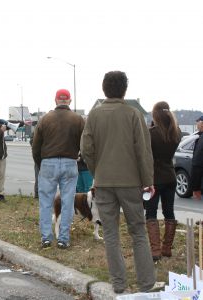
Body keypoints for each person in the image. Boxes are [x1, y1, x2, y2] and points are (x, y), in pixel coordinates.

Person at [80, 71, 157, 294]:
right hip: (131, 182)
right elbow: (143, 151)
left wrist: (98, 171)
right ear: (125, 90)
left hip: (104, 182)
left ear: (104, 88)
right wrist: (148, 180)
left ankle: (119, 284)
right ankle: (146, 283)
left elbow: (86, 149)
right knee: (138, 232)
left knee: (111, 233)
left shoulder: (94, 116)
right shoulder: (133, 114)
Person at [32, 89, 84, 249]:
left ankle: (46, 237)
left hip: (48, 162)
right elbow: (84, 142)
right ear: (69, 101)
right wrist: (79, 156)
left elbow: (36, 146)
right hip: (69, 162)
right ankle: (63, 238)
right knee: (68, 202)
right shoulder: (78, 119)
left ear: (55, 100)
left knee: (46, 202)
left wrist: (40, 163)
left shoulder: (45, 119)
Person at [144, 101, 181, 262]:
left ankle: (155, 251)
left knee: (151, 213)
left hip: (154, 178)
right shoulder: (176, 132)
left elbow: (146, 155)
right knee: (169, 212)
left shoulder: (150, 133)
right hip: (170, 177)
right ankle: (166, 249)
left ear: (155, 115)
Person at [192, 116, 203, 200]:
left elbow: (197, 160)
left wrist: (196, 188)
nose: (196, 126)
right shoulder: (199, 136)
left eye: (198, 123)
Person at [29, 130, 40, 198]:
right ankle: (37, 194)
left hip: (45, 156)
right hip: (39, 157)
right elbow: (32, 142)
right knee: (38, 176)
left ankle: (38, 193)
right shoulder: (37, 130)